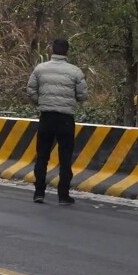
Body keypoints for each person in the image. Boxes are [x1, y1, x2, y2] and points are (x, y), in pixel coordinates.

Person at [28, 39, 88, 205]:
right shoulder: (75, 71)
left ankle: (39, 192)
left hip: (46, 117)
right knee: (65, 157)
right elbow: (83, 95)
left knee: (42, 156)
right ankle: (63, 195)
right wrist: (71, 99)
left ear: (52, 50)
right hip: (65, 119)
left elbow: (30, 89)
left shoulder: (40, 69)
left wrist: (40, 102)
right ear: (67, 52)